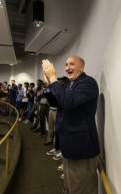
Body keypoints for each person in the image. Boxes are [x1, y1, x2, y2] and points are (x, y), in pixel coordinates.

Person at [42, 56, 100, 194]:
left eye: (72, 64)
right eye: (66, 64)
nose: (67, 67)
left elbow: (68, 102)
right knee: (70, 186)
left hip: (81, 148)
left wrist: (54, 79)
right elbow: (57, 103)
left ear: (82, 67)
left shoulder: (88, 83)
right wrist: (50, 83)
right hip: (69, 147)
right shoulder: (69, 84)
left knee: (81, 188)